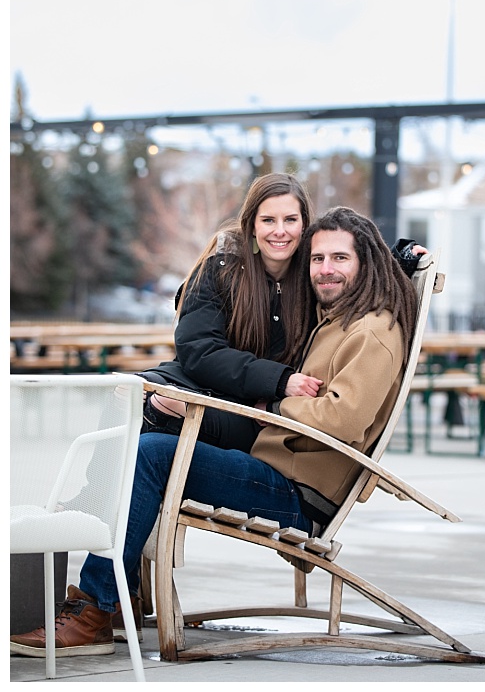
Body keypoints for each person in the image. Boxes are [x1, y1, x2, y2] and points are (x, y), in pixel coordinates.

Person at [11, 207, 419, 659]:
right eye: (318, 259)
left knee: (151, 456)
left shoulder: (373, 331)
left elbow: (344, 420)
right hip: (273, 465)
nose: (325, 269)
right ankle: (109, 594)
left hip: (297, 491)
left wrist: (275, 405)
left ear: (366, 262)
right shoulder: (334, 318)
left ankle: (92, 613)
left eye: (340, 259)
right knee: (139, 433)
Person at [141, 173, 426, 453]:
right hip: (193, 386)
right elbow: (199, 351)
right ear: (252, 225)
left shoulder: (313, 279)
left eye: (290, 220)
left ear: (304, 225)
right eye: (268, 220)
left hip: (251, 416)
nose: (280, 231)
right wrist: (280, 379)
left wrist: (402, 259)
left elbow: (357, 268)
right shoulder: (220, 272)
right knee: (127, 396)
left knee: (156, 418)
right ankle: (99, 496)